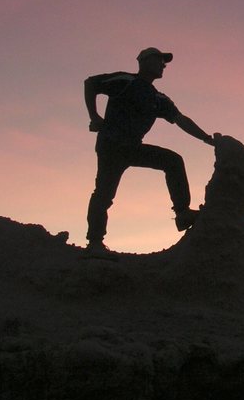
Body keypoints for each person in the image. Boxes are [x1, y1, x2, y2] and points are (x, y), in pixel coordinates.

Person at [84, 47, 215, 254]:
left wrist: (206, 138)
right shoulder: (126, 81)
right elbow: (90, 83)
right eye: (159, 60)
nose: (163, 65)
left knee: (173, 161)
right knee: (104, 194)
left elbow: (181, 120)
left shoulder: (158, 99)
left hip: (133, 148)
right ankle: (94, 243)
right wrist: (94, 116)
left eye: (164, 62)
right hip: (112, 146)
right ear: (143, 61)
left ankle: (182, 213)